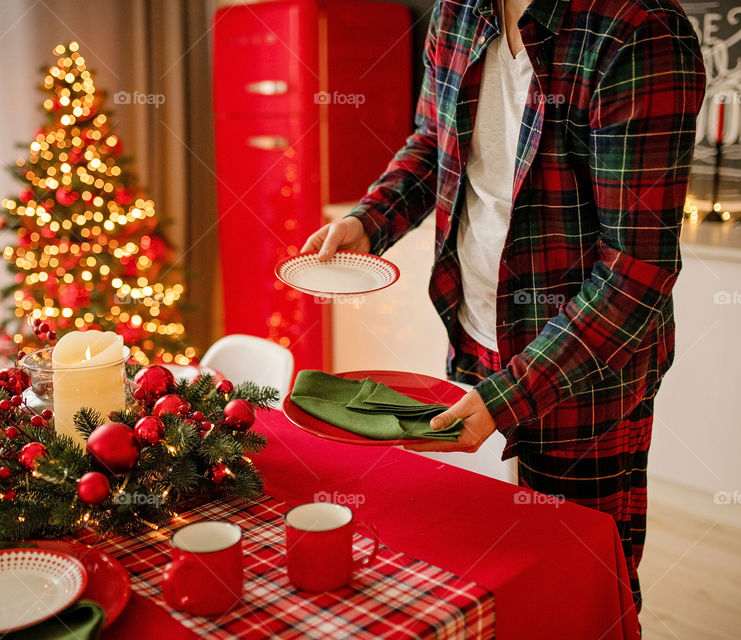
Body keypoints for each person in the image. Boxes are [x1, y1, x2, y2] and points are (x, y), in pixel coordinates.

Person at [301, 0, 706, 615]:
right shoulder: (457, 10)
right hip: (474, 344)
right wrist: (369, 221)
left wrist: (507, 399)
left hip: (585, 380)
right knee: (485, 575)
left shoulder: (639, 30)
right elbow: (432, 142)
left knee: (580, 592)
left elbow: (637, 270)